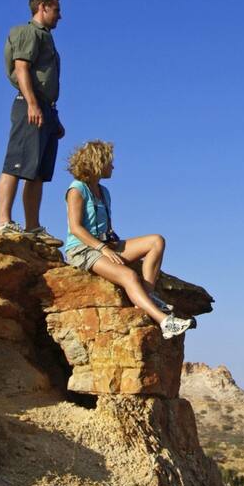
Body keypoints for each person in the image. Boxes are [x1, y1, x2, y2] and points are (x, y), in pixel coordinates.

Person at [63, 140, 193, 339]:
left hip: (105, 245)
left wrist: (111, 243)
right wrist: (103, 249)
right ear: (98, 162)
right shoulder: (77, 189)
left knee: (156, 241)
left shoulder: (104, 192)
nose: (113, 166)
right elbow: (76, 228)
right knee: (129, 276)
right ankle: (165, 322)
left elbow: (106, 226)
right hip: (82, 249)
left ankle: (146, 296)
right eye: (110, 162)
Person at [0, 0, 65, 240]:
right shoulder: (28, 32)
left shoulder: (46, 38)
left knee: (37, 171)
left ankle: (32, 226)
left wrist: (53, 116)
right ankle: (4, 221)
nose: (60, 16)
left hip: (45, 107)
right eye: (56, 10)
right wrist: (33, 104)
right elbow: (21, 68)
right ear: (43, 7)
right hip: (29, 104)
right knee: (16, 164)